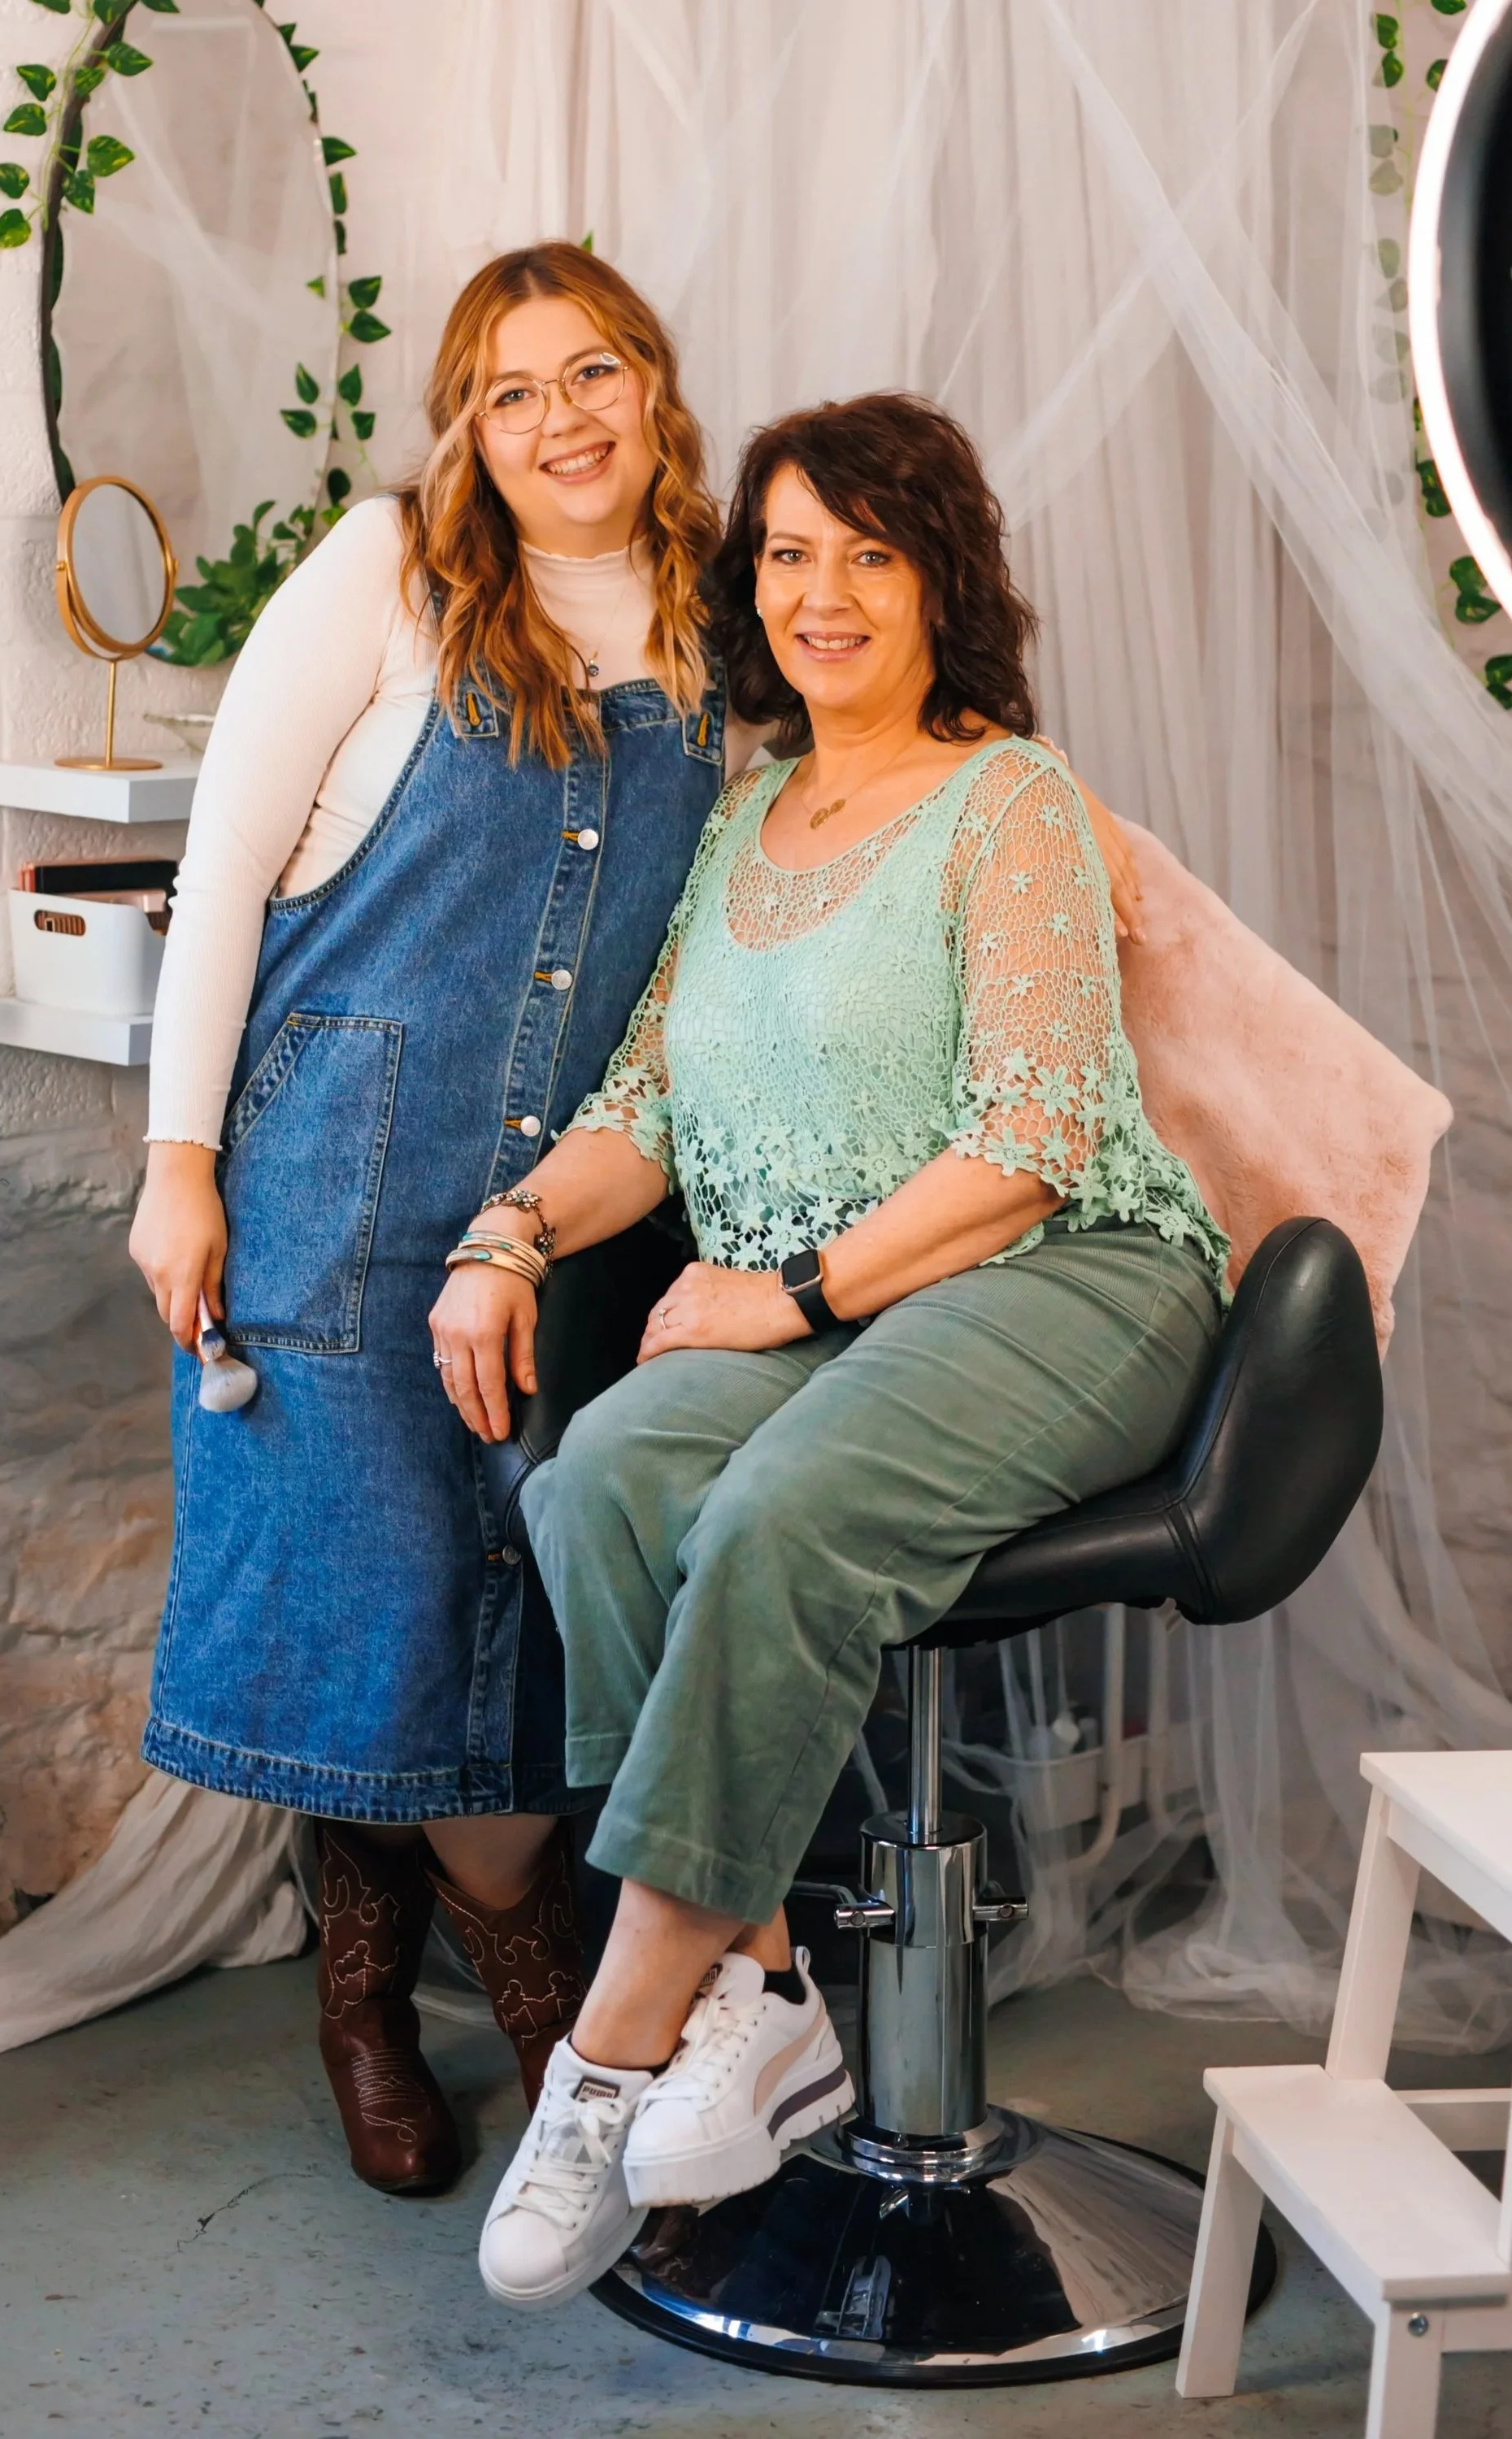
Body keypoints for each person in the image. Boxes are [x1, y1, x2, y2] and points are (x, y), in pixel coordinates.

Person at [427, 392, 1230, 2307]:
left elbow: (1030, 1141)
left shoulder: (1010, 800)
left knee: (777, 1507)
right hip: (825, 1305)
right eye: (789, 551)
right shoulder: (736, 824)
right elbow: (647, 1106)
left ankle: (612, 2053)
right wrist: (508, 1230)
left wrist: (786, 1297)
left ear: (942, 580)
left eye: (869, 551)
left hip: (1063, 1280)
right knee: (604, 1473)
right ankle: (768, 1988)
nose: (823, 591)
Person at [128, 242, 740, 2198]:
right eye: (509, 391)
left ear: (652, 387)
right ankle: (458, 2018)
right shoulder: (385, 571)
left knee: (516, 1625)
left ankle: (491, 2026)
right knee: (382, 1610)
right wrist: (177, 1161)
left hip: (574, 1219)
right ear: (465, 427)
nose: (558, 421)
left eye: (591, 376)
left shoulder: (719, 610)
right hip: (341, 1188)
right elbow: (223, 873)